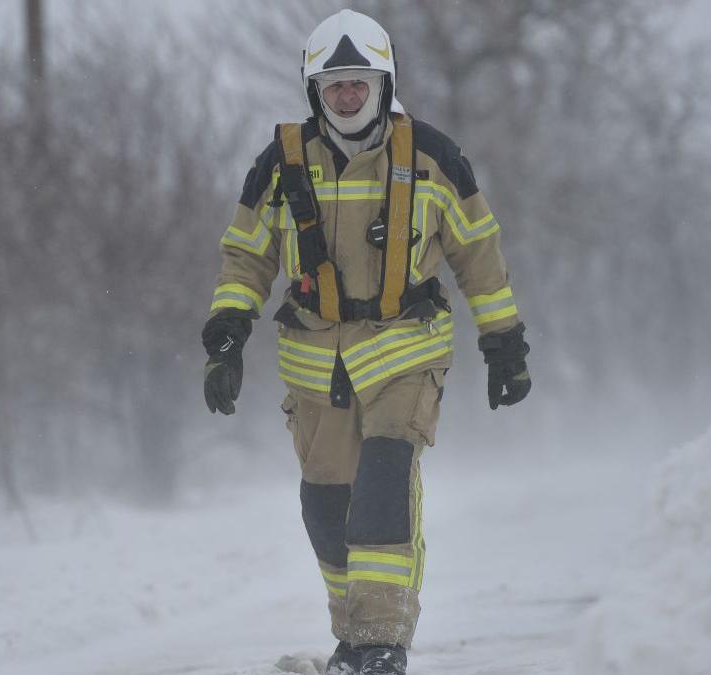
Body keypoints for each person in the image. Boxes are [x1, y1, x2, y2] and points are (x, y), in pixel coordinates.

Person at [200, 9, 531, 675]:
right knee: (325, 501)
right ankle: (354, 636)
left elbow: (479, 254)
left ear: (384, 85)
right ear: (314, 93)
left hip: (406, 353)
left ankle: (384, 642)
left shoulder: (434, 158)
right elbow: (246, 256)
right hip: (313, 359)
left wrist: (504, 342)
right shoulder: (279, 164)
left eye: (359, 84)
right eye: (335, 87)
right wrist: (228, 334)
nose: (348, 98)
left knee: (383, 482)